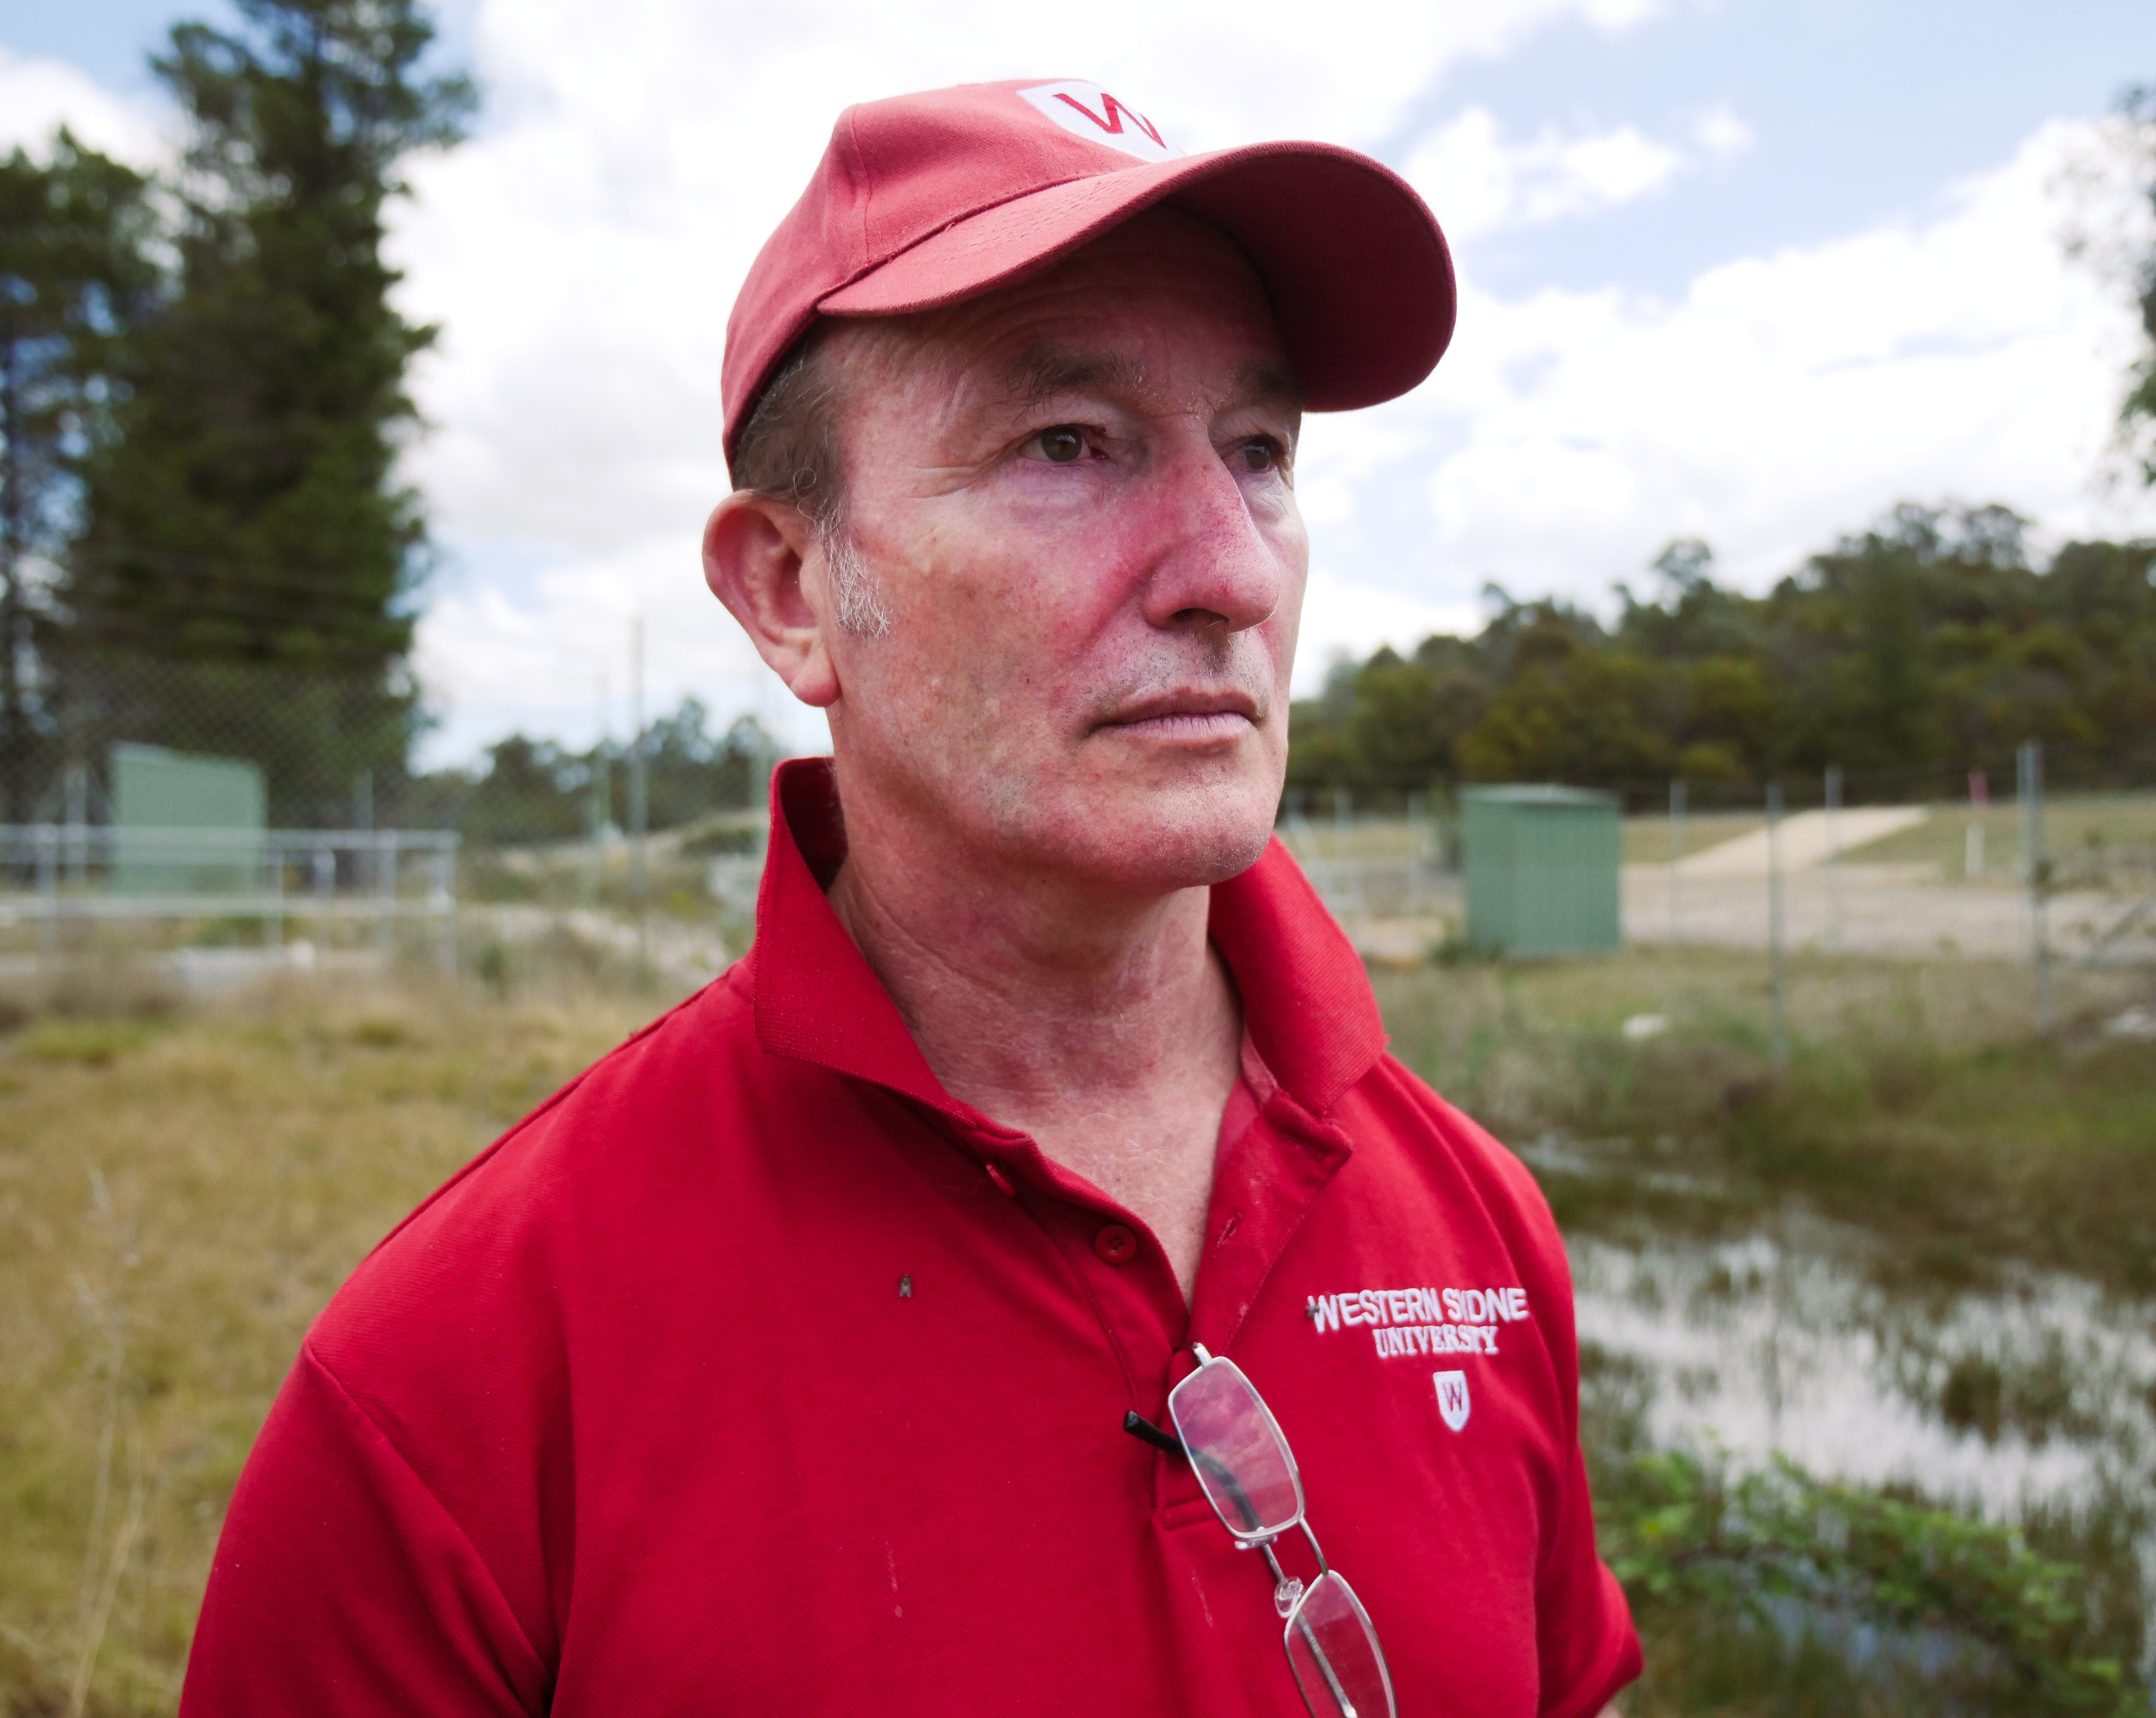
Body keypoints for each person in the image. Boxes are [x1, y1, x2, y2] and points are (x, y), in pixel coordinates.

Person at [182, 78, 1642, 1717]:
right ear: (794, 593)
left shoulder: (1482, 1227)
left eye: (1260, 452)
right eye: (1067, 446)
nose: (1228, 570)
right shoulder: (461, 1374)